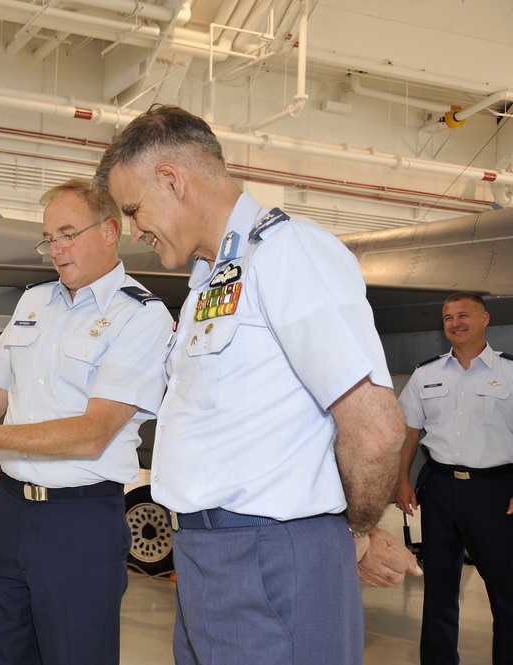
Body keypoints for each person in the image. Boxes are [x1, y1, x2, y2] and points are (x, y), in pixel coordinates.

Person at [92, 104, 420, 665]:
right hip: (210, 554)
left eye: (134, 209)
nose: (133, 230)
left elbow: (377, 429)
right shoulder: (215, 276)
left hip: (269, 557)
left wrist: (352, 536)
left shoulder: (287, 254)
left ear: (172, 179)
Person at [0, 178, 173, 664]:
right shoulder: (34, 301)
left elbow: (93, 432)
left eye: (68, 234)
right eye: (49, 238)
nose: (55, 249)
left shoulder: (140, 317)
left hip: (80, 522)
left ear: (110, 230)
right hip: (9, 513)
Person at [395, 292, 513, 664]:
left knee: (506, 592)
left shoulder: (508, 372)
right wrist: (402, 481)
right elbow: (409, 433)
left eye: (463, 315)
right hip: (440, 490)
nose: (455, 323)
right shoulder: (426, 374)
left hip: (494, 492)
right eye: (448, 318)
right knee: (439, 589)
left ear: (484, 318)